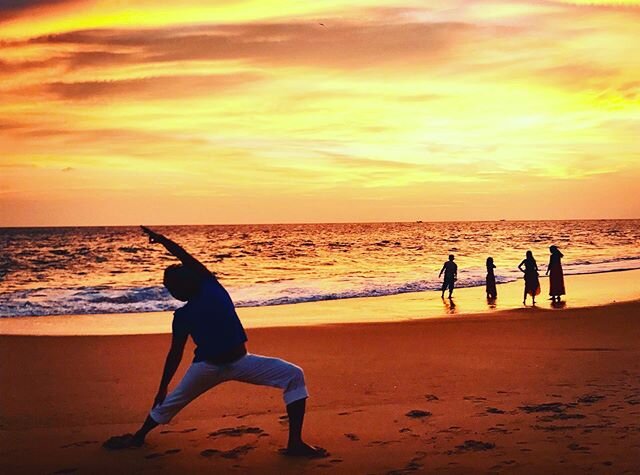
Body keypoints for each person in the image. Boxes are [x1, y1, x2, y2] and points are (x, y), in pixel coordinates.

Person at [103, 226, 326, 458]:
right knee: (168, 405)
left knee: (293, 375)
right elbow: (175, 354)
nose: (173, 293)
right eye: (169, 290)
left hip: (241, 362)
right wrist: (162, 387)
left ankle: (295, 444)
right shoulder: (182, 316)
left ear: (188, 281)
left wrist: (162, 240)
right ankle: (139, 437)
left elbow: (185, 256)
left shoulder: (211, 287)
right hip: (207, 368)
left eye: (175, 287)